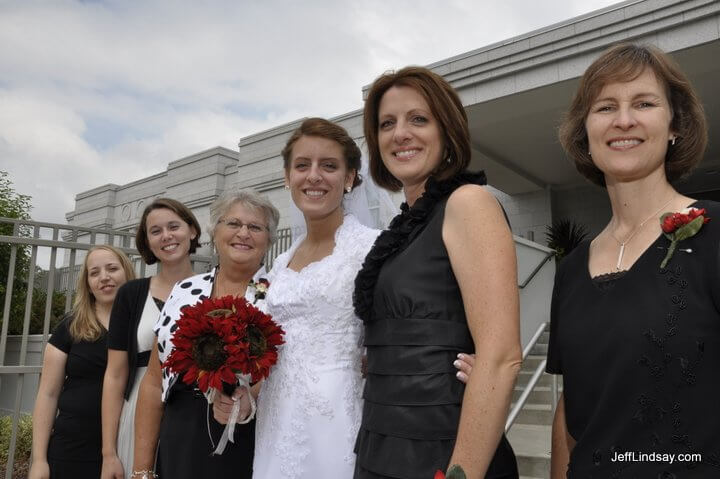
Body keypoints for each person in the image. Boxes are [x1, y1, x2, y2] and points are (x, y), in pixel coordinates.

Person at [544, 43, 715, 478]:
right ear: (585, 131)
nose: (624, 120)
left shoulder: (715, 233)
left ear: (675, 124)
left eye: (644, 103)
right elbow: (571, 411)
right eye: (605, 107)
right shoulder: (571, 270)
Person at [353, 66, 521, 478]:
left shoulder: (468, 203)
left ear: (447, 130)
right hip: (381, 441)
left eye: (418, 119)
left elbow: (500, 357)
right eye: (387, 123)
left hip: (442, 449)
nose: (400, 134)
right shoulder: (403, 227)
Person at [251, 117, 381, 478]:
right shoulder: (279, 263)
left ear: (351, 177)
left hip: (339, 415)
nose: (314, 176)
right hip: (276, 416)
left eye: (329, 166)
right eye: (302, 165)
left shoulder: (371, 249)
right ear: (287, 176)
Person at [131, 190, 279, 479]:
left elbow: (286, 372)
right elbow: (152, 382)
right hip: (181, 434)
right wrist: (141, 470)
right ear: (215, 232)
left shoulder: (280, 295)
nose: (243, 233)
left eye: (255, 227)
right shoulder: (184, 290)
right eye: (233, 223)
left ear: (268, 239)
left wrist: (249, 395)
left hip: (248, 434)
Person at [100, 198, 200, 478]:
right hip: (136, 414)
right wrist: (108, 452)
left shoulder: (211, 288)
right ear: (147, 241)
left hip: (192, 413)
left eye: (174, 226)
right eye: (155, 231)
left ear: (192, 230)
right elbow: (115, 375)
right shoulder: (131, 295)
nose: (166, 236)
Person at [29, 246, 135, 479]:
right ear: (87, 284)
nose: (104, 277)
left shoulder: (143, 327)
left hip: (128, 447)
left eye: (112, 268)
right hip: (72, 449)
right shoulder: (71, 326)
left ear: (127, 272)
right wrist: (38, 461)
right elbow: (47, 394)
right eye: (94, 273)